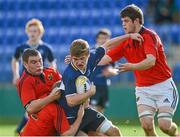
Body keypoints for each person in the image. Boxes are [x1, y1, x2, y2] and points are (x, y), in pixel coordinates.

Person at [99, 4, 179, 137]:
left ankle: (175, 134)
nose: (123, 24)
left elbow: (150, 61)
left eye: (126, 21)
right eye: (122, 21)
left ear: (136, 21)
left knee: (165, 126)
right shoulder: (126, 41)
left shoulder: (149, 36)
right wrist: (85, 60)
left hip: (163, 86)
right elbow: (104, 59)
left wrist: (132, 67)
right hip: (143, 89)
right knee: (147, 125)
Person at [60, 33, 143, 136]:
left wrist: (129, 36)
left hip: (86, 111)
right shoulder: (69, 74)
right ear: (71, 56)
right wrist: (89, 93)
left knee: (114, 132)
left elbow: (108, 45)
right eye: (75, 59)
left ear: (88, 55)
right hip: (70, 116)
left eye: (82, 58)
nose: (79, 62)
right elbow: (70, 101)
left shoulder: (92, 57)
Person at [17, 49, 84, 136]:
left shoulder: (51, 72)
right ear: (25, 65)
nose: (38, 64)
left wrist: (74, 66)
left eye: (40, 60)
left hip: (53, 123)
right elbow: (30, 108)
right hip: (38, 128)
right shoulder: (25, 81)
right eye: (34, 62)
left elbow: (67, 84)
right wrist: (51, 98)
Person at [11, 18, 57, 134]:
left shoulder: (46, 48)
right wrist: (15, 74)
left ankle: (23, 130)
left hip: (42, 82)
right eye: (30, 31)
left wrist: (52, 77)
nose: (32, 33)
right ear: (27, 32)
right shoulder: (21, 48)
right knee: (32, 106)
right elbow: (14, 60)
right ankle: (25, 130)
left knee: (36, 107)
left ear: (40, 32)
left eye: (35, 31)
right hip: (26, 83)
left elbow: (53, 64)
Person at [90, 28, 118, 113]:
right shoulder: (91, 52)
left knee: (101, 109)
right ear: (97, 39)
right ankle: (90, 125)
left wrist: (111, 71)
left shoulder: (110, 53)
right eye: (101, 38)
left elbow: (116, 68)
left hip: (104, 85)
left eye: (105, 38)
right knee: (92, 108)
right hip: (92, 85)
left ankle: (96, 125)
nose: (103, 40)